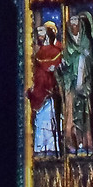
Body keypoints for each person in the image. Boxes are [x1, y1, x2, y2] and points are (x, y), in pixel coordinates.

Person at [29, 16, 63, 154]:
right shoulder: (38, 52)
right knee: (40, 119)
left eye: (43, 33)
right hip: (39, 89)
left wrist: (53, 71)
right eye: (38, 34)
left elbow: (57, 68)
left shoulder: (56, 50)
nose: (40, 36)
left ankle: (51, 147)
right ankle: (40, 147)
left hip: (49, 91)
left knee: (49, 120)